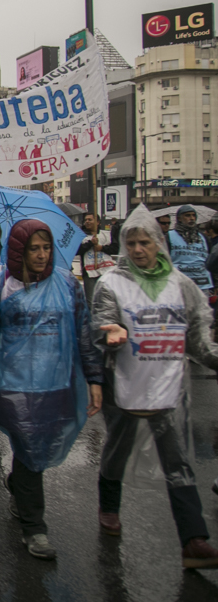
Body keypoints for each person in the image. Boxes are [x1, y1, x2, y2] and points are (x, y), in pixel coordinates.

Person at [92, 205, 218, 568]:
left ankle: (193, 540)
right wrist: (110, 333)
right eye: (131, 243)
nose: (137, 250)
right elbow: (100, 324)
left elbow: (198, 338)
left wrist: (214, 358)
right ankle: (109, 506)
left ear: (158, 244)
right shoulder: (111, 284)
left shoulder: (181, 284)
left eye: (144, 242)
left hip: (169, 387)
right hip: (125, 385)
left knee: (178, 461)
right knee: (117, 450)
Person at [0, 219, 104, 560]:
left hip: (55, 383)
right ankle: (34, 528)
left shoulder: (68, 284)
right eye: (33, 248)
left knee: (38, 449)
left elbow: (83, 333)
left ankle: (19, 485)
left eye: (46, 248)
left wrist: (94, 379)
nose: (41, 255)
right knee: (29, 445)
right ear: (18, 250)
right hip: (14, 386)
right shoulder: (0, 287)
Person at [167, 205, 212, 291]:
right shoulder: (169, 236)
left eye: (193, 215)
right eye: (187, 215)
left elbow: (210, 261)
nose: (191, 218)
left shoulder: (203, 237)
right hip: (179, 284)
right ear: (179, 218)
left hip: (202, 284)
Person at [76, 212, 118, 304]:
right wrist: (90, 243)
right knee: (91, 301)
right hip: (89, 273)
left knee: (106, 299)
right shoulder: (81, 236)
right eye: (85, 220)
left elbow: (115, 249)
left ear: (97, 222)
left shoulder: (106, 235)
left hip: (104, 271)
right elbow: (77, 251)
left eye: (90, 219)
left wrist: (102, 248)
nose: (87, 222)